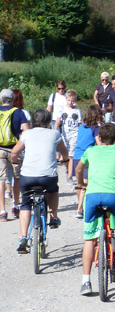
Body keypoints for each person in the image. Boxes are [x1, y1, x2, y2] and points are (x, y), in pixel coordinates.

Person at [76, 123, 115, 294]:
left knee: (90, 239)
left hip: (92, 197)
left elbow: (78, 169)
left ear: (99, 138)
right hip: (112, 196)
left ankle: (86, 281)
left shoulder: (91, 151)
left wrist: (81, 183)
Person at [11, 109, 68, 253]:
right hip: (47, 177)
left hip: (27, 177)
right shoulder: (55, 134)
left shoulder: (26, 134)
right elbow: (64, 151)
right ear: (48, 121)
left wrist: (16, 161)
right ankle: (54, 216)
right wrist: (64, 159)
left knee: (25, 204)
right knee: (53, 190)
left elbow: (14, 152)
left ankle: (23, 237)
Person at [0, 89, 29, 221]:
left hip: (0, 150)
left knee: (1, 179)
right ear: (12, 99)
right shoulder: (19, 112)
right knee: (17, 177)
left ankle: (2, 211)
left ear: (1, 99)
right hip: (14, 149)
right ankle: (15, 206)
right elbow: (26, 132)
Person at [72, 104, 102, 219]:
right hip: (86, 157)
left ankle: (82, 207)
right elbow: (98, 143)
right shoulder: (95, 127)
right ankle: (80, 208)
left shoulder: (82, 126)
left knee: (79, 184)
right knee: (85, 184)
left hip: (76, 156)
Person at [56, 90, 82, 184]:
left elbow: (80, 124)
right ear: (66, 99)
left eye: (72, 100)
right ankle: (68, 170)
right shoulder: (62, 110)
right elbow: (58, 121)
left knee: (71, 156)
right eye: (69, 100)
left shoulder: (77, 111)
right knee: (65, 156)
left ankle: (70, 176)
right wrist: (55, 132)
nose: (70, 102)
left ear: (75, 100)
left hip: (74, 135)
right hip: (64, 135)